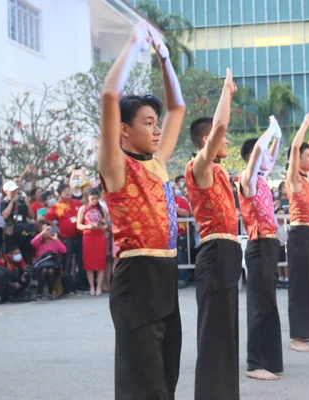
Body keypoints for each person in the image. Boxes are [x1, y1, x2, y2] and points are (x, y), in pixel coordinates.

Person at [99, 20, 185, 400]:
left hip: (165, 275)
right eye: (147, 123)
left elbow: (178, 108)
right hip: (136, 278)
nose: (155, 130)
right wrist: (134, 45)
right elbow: (108, 97)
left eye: (156, 123)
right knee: (144, 382)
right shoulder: (117, 166)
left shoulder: (158, 162)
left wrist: (165, 59)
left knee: (167, 373)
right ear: (123, 130)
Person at [185, 68, 242, 399]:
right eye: (222, 137)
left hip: (227, 253)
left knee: (226, 334)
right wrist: (225, 92)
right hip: (215, 253)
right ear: (207, 141)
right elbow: (221, 126)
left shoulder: (220, 171)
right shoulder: (199, 166)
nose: (228, 140)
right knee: (214, 336)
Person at [237, 116, 283, 381]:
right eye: (263, 153)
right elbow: (257, 153)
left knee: (268, 305)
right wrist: (269, 131)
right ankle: (254, 363)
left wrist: (276, 137)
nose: (268, 157)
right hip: (258, 246)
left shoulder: (263, 179)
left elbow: (270, 155)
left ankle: (268, 359)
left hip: (269, 246)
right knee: (258, 306)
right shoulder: (248, 180)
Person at [285, 113, 309, 353]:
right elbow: (297, 147)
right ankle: (296, 337)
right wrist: (305, 126)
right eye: (306, 156)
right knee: (299, 286)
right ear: (297, 160)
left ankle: (307, 332)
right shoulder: (294, 180)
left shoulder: (307, 180)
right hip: (298, 235)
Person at [45, 184, 84, 293]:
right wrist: (55, 228)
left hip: (79, 236)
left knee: (81, 262)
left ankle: (81, 285)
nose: (68, 192)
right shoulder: (56, 206)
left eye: (69, 190)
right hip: (66, 239)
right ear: (60, 194)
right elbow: (47, 218)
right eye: (65, 191)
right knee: (67, 263)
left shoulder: (77, 203)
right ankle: (68, 287)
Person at [77, 189, 109, 296]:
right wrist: (88, 226)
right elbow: (78, 225)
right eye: (92, 199)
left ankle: (99, 286)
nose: (94, 201)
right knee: (89, 263)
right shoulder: (83, 208)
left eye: (96, 198)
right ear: (88, 198)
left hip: (99, 237)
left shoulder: (103, 209)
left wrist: (101, 226)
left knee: (101, 262)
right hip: (88, 237)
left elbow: (106, 226)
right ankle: (92, 286)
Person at [32, 224, 67, 300]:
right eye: (46, 230)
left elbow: (64, 250)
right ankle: (39, 293)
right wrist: (42, 233)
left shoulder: (55, 242)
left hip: (54, 265)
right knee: (44, 271)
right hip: (42, 265)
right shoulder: (40, 242)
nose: (48, 232)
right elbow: (32, 243)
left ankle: (50, 293)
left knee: (50, 271)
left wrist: (56, 239)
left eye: (49, 230)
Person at [0, 180, 34, 257]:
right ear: (6, 191)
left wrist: (28, 205)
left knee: (25, 251)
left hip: (23, 230)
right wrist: (12, 202)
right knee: (11, 252)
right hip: (11, 231)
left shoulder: (22, 200)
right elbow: (5, 215)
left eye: (15, 190)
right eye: (12, 191)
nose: (14, 192)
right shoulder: (4, 202)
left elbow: (31, 216)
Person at [174, 186, 191, 289]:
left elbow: (186, 213)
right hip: (167, 235)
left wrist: (173, 208)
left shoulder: (181, 200)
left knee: (181, 257)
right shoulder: (160, 201)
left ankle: (182, 279)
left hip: (181, 234)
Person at [275, 208, 289, 288]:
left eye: (284, 214)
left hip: (286, 246)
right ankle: (280, 278)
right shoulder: (275, 226)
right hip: (278, 246)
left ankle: (287, 278)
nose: (282, 216)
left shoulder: (287, 226)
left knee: (286, 263)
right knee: (279, 263)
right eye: (280, 214)